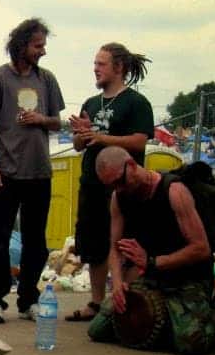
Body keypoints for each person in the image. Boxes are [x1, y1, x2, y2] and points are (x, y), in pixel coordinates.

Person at [87, 147, 215, 355]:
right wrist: (117, 284)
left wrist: (153, 262)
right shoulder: (119, 197)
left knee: (190, 345)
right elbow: (115, 249)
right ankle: (170, 323)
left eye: (120, 181)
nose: (118, 188)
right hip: (152, 277)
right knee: (98, 330)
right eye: (111, 186)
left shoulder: (173, 191)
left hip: (188, 278)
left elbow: (201, 249)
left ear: (132, 166)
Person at [0, 18, 64, 323]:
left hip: (39, 172)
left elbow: (57, 121)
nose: (42, 51)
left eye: (43, 45)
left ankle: (29, 298)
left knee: (35, 241)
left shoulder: (47, 79)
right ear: (22, 45)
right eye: (38, 45)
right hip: (7, 171)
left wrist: (40, 119)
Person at [66, 43, 154, 322]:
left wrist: (104, 138)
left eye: (101, 64)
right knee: (93, 244)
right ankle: (96, 303)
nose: (95, 68)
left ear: (119, 68)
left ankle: (125, 300)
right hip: (92, 183)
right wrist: (82, 135)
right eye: (95, 63)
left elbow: (140, 140)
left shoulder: (136, 103)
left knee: (124, 243)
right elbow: (80, 145)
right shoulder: (91, 104)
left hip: (124, 187)